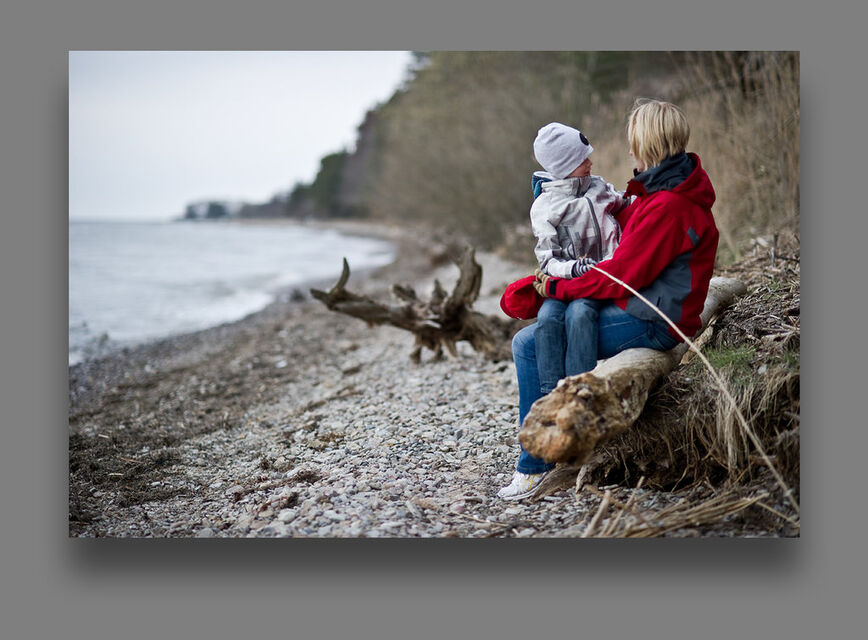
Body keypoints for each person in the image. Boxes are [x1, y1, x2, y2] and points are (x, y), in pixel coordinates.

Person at [497, 100, 719, 500]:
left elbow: (621, 275)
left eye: (634, 143)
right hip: (648, 304)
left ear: (649, 145)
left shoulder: (669, 206)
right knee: (531, 338)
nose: (629, 151)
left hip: (656, 317)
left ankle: (545, 453)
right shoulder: (662, 192)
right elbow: (620, 247)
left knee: (529, 345)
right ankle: (555, 438)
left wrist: (555, 288)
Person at [529, 122, 632, 400]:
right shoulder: (545, 207)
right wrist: (573, 268)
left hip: (600, 277)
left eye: (587, 156)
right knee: (548, 318)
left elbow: (627, 204)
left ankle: (580, 390)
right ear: (562, 166)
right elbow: (547, 261)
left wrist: (647, 195)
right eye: (580, 160)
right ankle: (551, 395)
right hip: (565, 280)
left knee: (580, 313)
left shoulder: (598, 186)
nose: (590, 162)